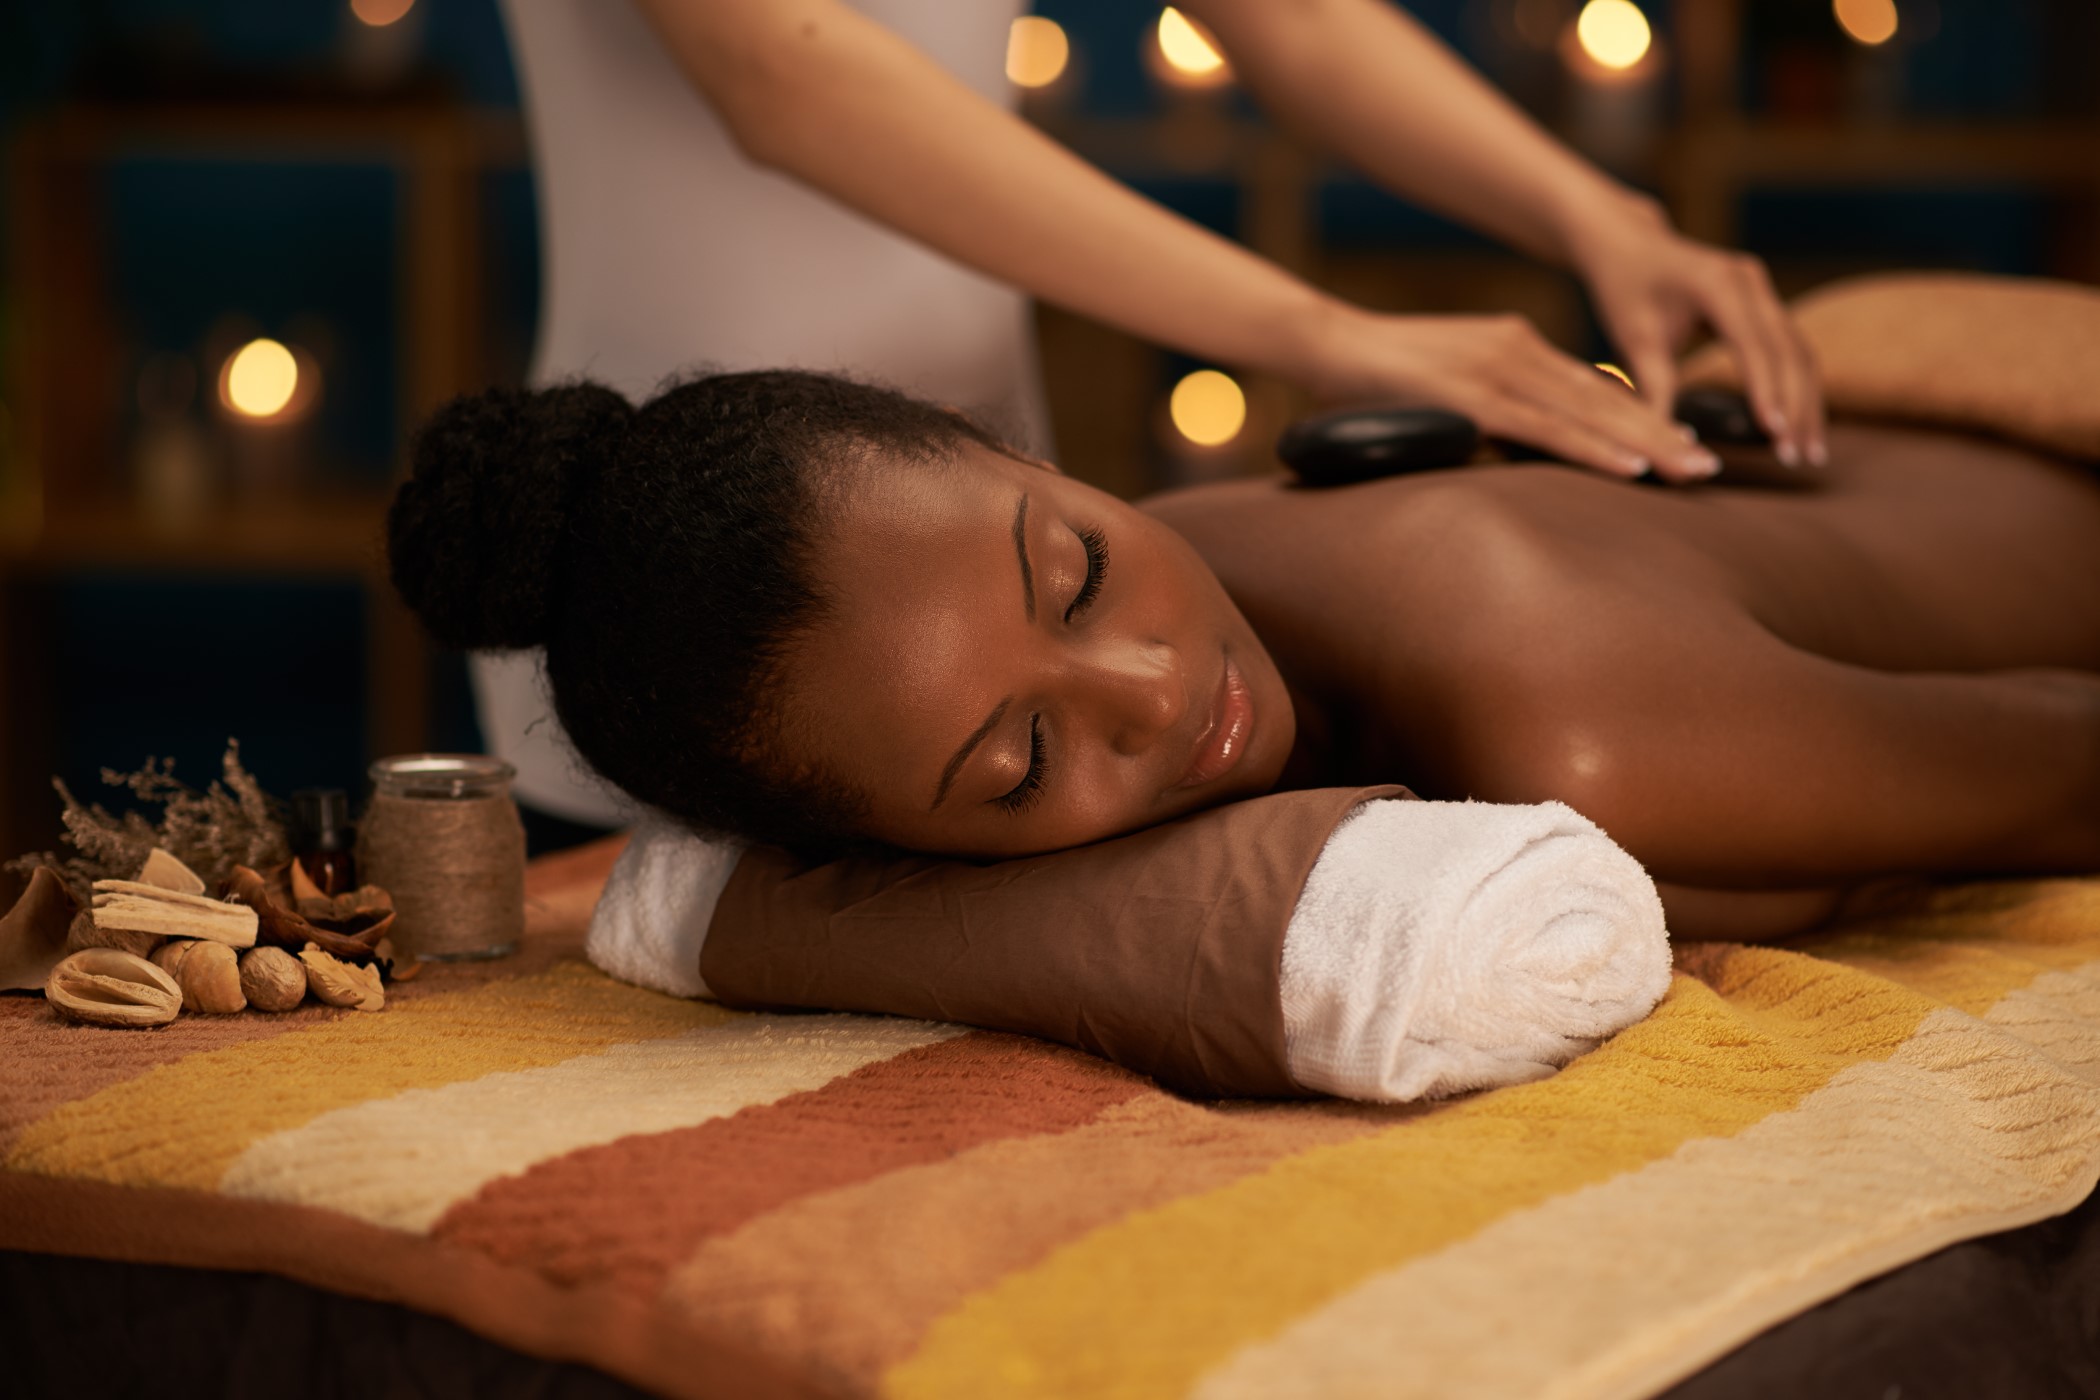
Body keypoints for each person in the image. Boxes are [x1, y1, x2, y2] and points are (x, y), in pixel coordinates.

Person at [483, 0, 1824, 832]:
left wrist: (1593, 215)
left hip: (1007, 564)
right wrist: (1328, 336)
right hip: (693, 616)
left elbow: (1291, 23)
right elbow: (787, 74)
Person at [387, 369, 2100, 940]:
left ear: (1035, 455)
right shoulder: (1216, 534)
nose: (1155, 691)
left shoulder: (1575, 728)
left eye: (1074, 569)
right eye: (1017, 769)